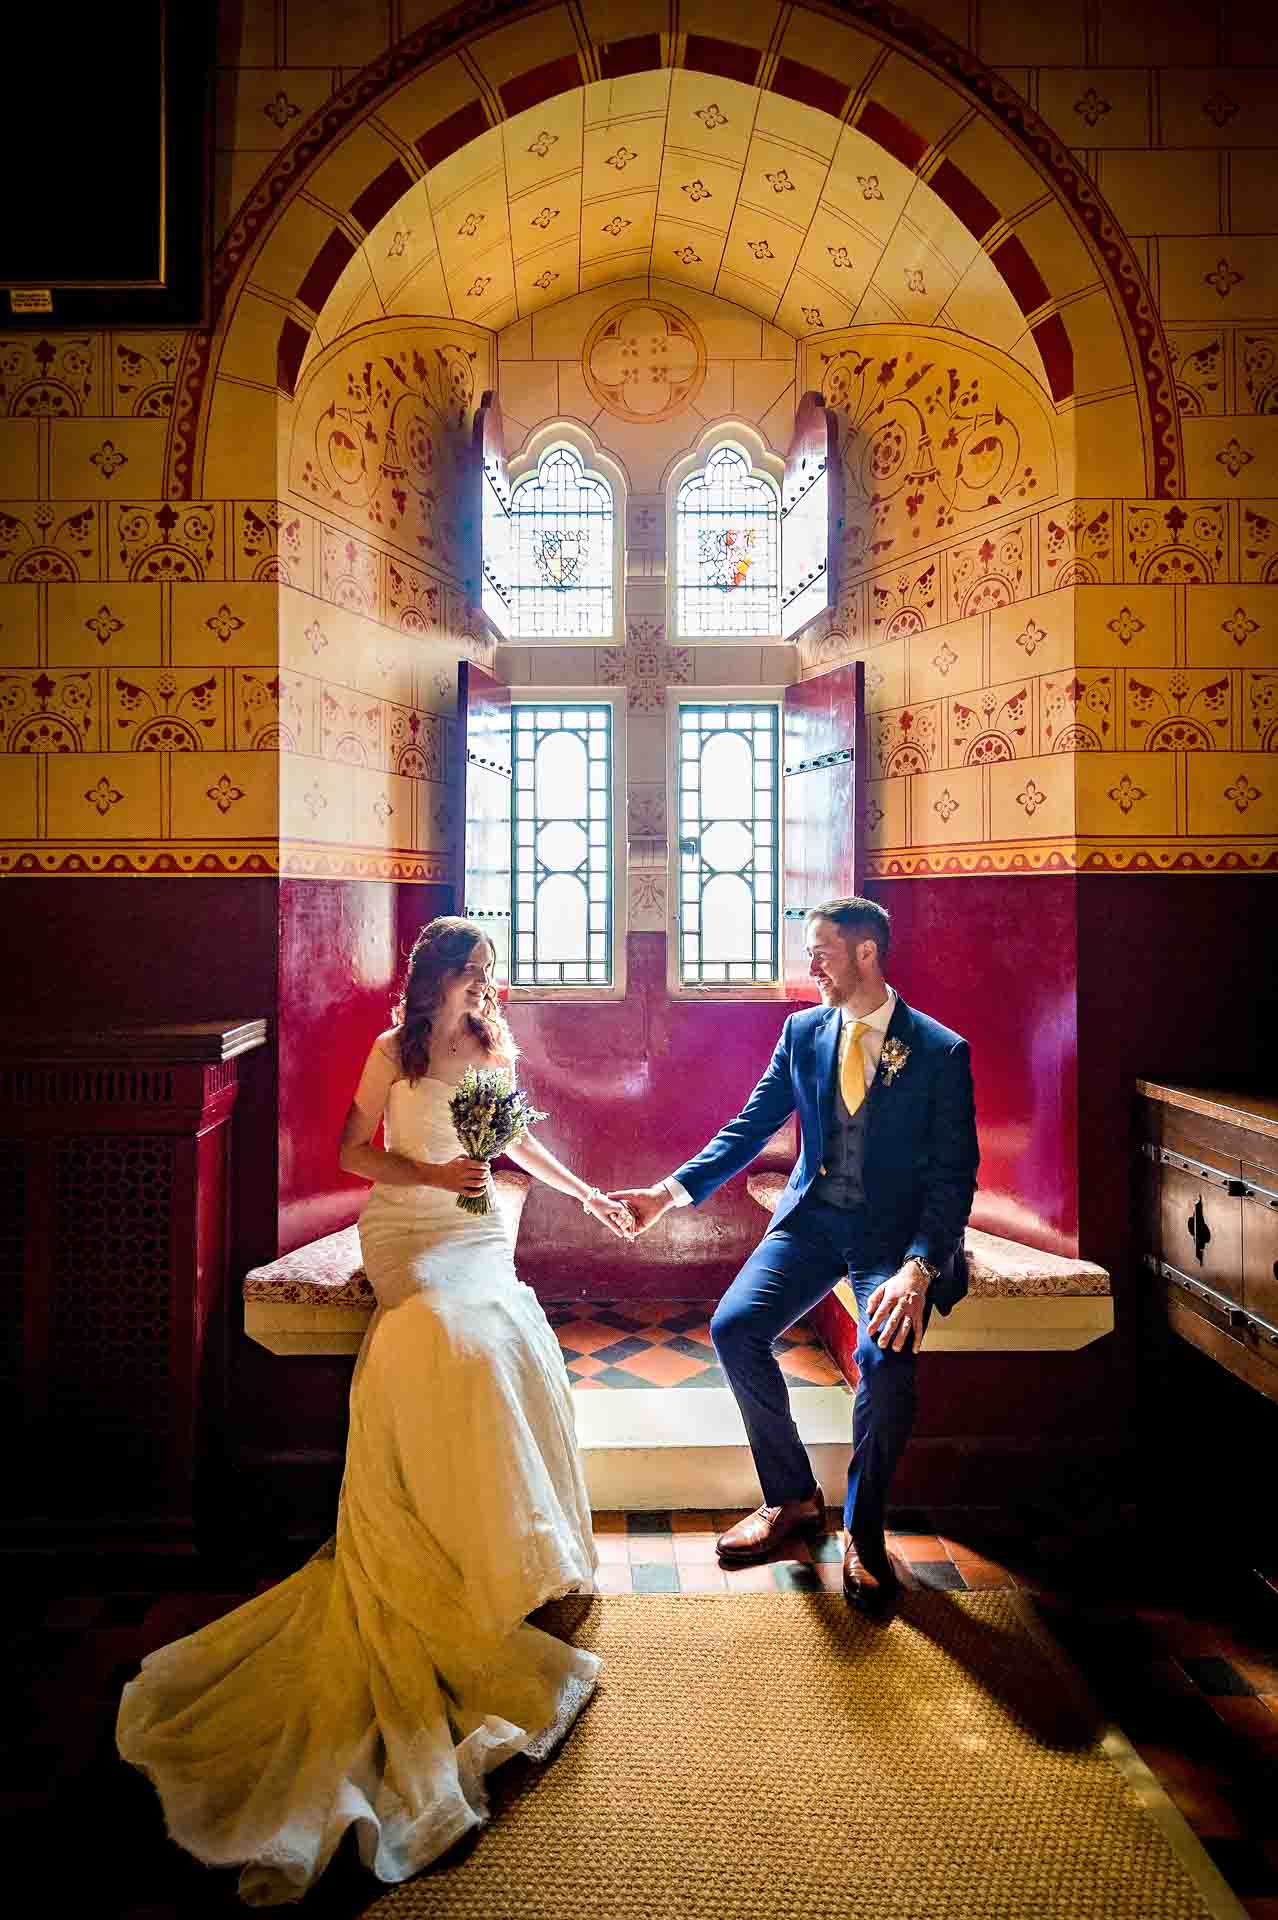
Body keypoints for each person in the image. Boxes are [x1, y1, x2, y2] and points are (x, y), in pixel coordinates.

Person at [118, 916, 633, 1905]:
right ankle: (439, 1543)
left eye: (493, 972)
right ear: (435, 974)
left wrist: (594, 1195)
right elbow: (356, 1152)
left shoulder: (489, 1045)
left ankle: (500, 1551)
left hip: (475, 1234)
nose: (487, 986)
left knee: (505, 1330)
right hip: (405, 1231)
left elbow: (512, 1144)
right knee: (443, 1332)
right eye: (474, 971)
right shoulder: (391, 1049)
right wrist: (435, 1174)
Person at [611, 897, 978, 1613]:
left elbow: (953, 1176)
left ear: (866, 954)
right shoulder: (803, 1031)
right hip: (811, 1222)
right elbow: (750, 1126)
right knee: (734, 1328)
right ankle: (791, 1499)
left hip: (893, 1243)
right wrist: (667, 1193)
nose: (810, 966)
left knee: (885, 1362)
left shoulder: (939, 1051)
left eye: (822, 952)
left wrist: (920, 1266)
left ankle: (864, 1535)